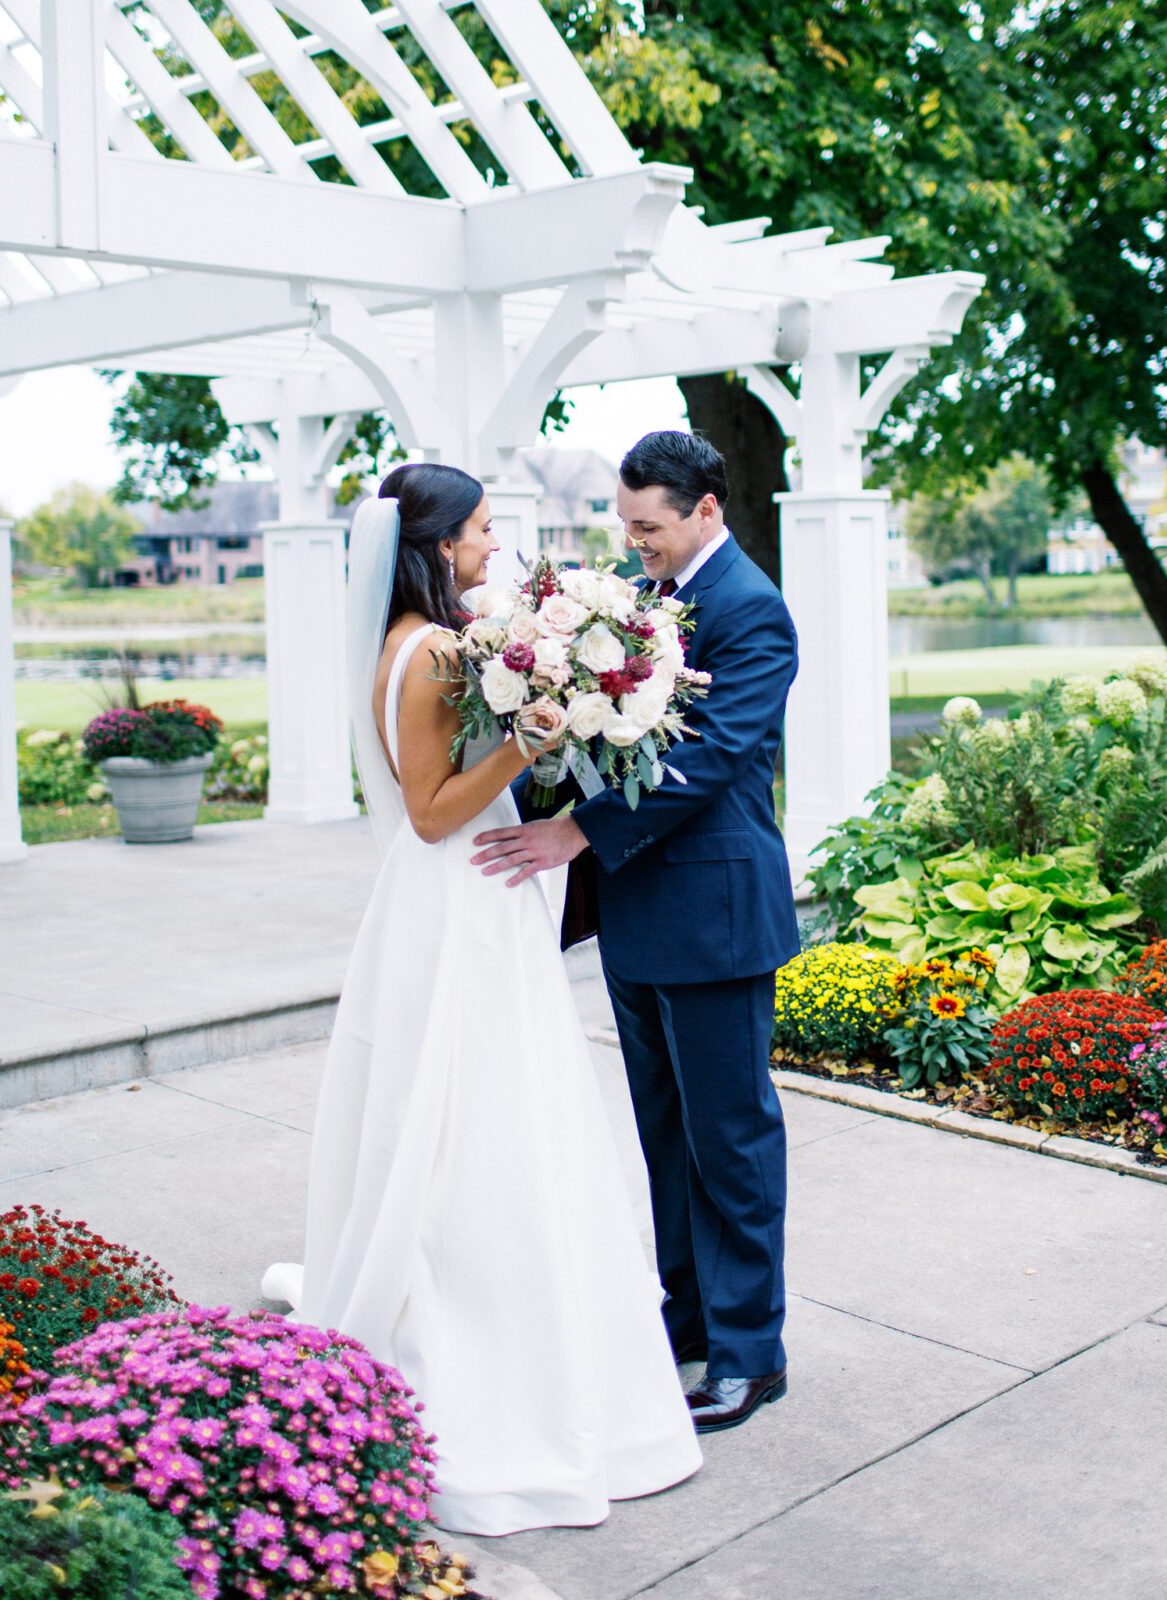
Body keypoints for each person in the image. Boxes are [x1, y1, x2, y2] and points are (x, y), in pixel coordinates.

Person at [262, 461, 700, 1537]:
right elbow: (429, 811)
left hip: (487, 900)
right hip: (452, 902)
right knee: (467, 1121)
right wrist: (528, 737)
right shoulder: (421, 655)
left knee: (508, 1111)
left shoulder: (446, 643)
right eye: (478, 533)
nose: (489, 548)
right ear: (431, 543)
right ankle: (474, 1337)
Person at [472, 431, 800, 1434]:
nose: (632, 542)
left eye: (646, 526)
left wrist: (572, 831)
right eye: (623, 524)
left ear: (705, 510)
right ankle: (686, 1324)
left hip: (714, 914)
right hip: (633, 908)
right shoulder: (632, 596)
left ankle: (750, 1353)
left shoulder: (752, 611)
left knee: (729, 1138)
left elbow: (705, 758)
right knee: (663, 1135)